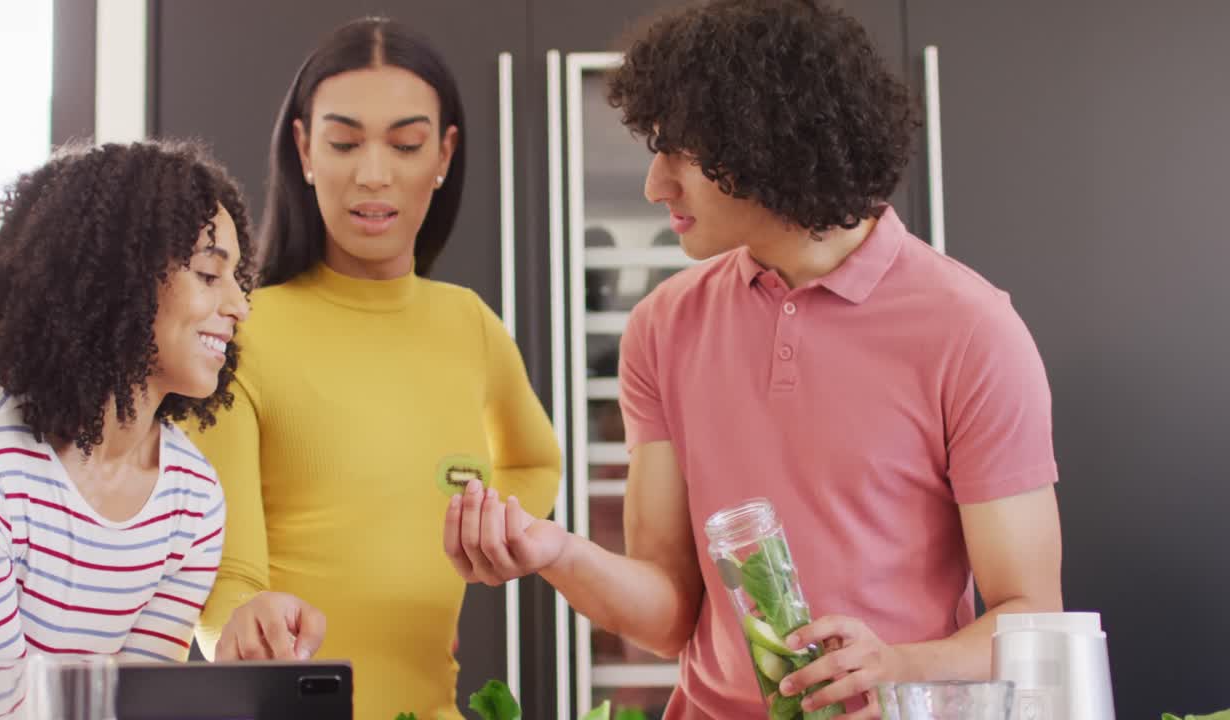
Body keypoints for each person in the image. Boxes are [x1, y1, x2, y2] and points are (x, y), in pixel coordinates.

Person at [444, 0, 1063, 717]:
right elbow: (670, 613)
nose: (656, 184)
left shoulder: (971, 330)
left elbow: (1031, 619)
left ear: (770, 140)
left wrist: (895, 665)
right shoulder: (664, 326)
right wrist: (554, 552)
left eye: (682, 152)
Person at [186, 17, 561, 719]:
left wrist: (483, 538)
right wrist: (245, 625)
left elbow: (536, 464)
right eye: (344, 141)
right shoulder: (244, 331)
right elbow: (226, 583)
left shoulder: (469, 324)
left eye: (408, 143)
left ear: (444, 154)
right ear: (303, 148)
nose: (374, 174)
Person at [0, 141, 252, 718]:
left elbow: (133, 708)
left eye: (237, 277)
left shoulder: (193, 498)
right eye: (210, 272)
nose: (239, 304)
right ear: (124, 281)